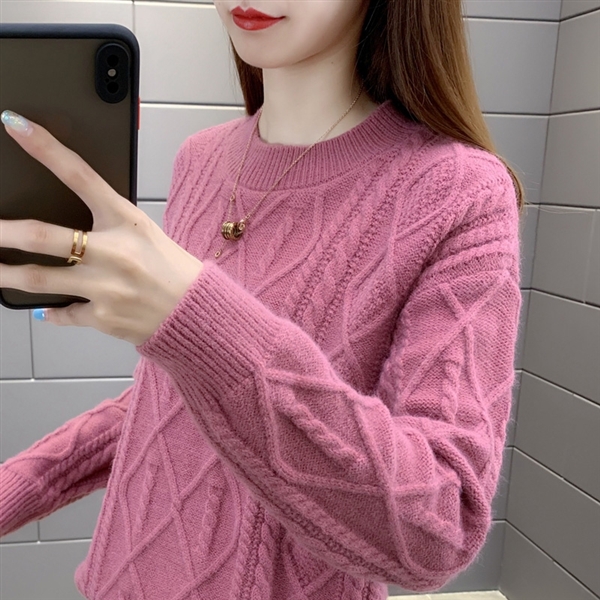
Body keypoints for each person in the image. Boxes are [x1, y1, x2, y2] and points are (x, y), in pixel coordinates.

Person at [0, 0, 525, 598]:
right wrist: (18, 485)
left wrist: (193, 318)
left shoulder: (460, 193)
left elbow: (440, 529)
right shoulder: (199, 160)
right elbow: (171, 397)